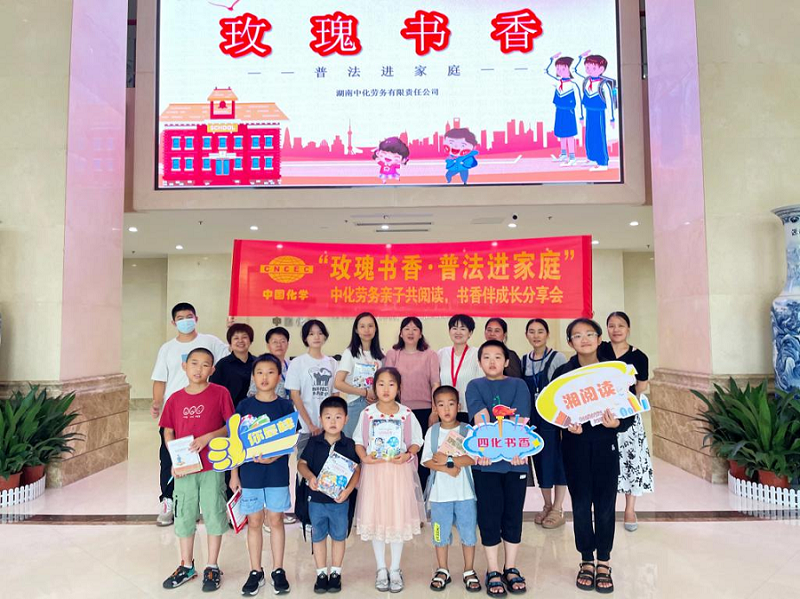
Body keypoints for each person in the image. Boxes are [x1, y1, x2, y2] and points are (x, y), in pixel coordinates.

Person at [553, 318, 635, 594]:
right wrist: (566, 424)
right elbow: (553, 413)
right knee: (580, 505)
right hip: (574, 447)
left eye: (590, 334)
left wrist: (617, 423)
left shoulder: (613, 372)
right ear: (570, 342)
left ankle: (604, 561)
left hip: (605, 446)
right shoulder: (563, 374)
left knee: (604, 505)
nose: (584, 339)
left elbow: (629, 410)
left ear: (600, 339)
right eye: (577, 335)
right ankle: (586, 559)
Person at [159, 348, 235, 592]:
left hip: (213, 465)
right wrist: (175, 459)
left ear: (212, 369)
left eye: (205, 365)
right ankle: (186, 565)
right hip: (185, 469)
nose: (198, 369)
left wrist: (208, 437)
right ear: (184, 366)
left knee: (214, 513)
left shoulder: (220, 393)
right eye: (194, 363)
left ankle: (212, 565)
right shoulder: (175, 399)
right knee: (184, 514)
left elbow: (230, 427)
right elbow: (168, 431)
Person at [151, 302, 229, 526]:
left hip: (206, 413)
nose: (185, 321)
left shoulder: (210, 341)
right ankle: (168, 501)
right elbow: (160, 379)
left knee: (210, 458)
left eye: (189, 316)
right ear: (173, 322)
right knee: (170, 458)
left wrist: (230, 327)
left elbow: (229, 357)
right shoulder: (167, 348)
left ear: (196, 318)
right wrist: (157, 402)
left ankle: (214, 503)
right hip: (176, 412)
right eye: (180, 318)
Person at [466, 340, 531, 596]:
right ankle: (493, 570)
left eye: (497, 356)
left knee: (513, 514)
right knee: (489, 515)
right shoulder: (474, 386)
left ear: (506, 361)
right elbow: (481, 420)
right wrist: (487, 451)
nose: (492, 361)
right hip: (486, 463)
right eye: (486, 357)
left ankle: (510, 567)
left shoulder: (519, 385)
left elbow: (520, 419)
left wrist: (515, 449)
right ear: (480, 362)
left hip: (516, 461)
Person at [353, 367, 425, 593]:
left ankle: (395, 569)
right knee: (377, 519)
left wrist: (408, 454)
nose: (386, 389)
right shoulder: (367, 413)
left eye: (391, 384)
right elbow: (358, 441)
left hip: (398, 474)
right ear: (374, 387)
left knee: (397, 519)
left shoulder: (406, 413)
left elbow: (417, 440)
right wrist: (364, 457)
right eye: (381, 384)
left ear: (399, 388)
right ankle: (381, 568)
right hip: (374, 474)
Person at [230, 354, 296, 596]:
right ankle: (255, 571)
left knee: (276, 520)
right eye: (259, 372)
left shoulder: (285, 406)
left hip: (277, 474)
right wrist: (234, 475)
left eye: (270, 372)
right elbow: (235, 443)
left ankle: (278, 569)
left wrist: (274, 456)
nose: (265, 377)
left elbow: (291, 441)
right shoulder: (244, 406)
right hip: (250, 475)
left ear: (279, 377)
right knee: (255, 521)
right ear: (253, 377)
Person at [297, 396, 361, 593]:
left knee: (339, 537)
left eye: (338, 417)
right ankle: (321, 574)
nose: (333, 422)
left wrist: (348, 491)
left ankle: (336, 573)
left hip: (339, 502)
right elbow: (302, 464)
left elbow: (356, 470)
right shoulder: (313, 442)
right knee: (318, 537)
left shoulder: (349, 444)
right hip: (316, 501)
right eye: (328, 417)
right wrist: (310, 477)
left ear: (346, 419)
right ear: (320, 419)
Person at [422, 386, 480, 593]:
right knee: (440, 533)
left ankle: (469, 570)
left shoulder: (468, 430)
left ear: (459, 406)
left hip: (465, 494)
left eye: (451, 404)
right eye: (441, 404)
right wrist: (448, 468)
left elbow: (473, 457)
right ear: (435, 408)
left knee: (468, 532)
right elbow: (427, 461)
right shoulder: (433, 432)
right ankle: (442, 569)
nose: (446, 409)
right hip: (440, 496)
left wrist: (449, 460)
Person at [599, 311, 653, 532]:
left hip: (628, 414)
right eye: (611, 325)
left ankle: (630, 508)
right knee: (605, 462)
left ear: (628, 329)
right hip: (602, 414)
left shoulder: (639, 356)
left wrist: (625, 402)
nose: (616, 330)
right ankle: (605, 508)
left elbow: (641, 386)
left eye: (621, 325)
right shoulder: (600, 350)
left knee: (631, 460)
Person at [521, 318, 568, 529]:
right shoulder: (524, 360)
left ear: (547, 334)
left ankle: (558, 508)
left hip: (554, 419)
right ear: (526, 335)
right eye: (531, 331)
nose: (536, 335)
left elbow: (565, 389)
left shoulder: (558, 358)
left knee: (557, 461)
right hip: (533, 419)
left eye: (540, 331)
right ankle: (547, 504)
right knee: (540, 461)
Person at [384, 316, 440, 489]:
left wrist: (434, 412)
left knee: (422, 455)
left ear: (420, 334)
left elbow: (435, 383)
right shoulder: (393, 354)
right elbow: (387, 382)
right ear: (401, 333)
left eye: (415, 329)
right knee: (399, 452)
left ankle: (421, 495)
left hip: (425, 411)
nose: (411, 332)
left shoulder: (430, 355)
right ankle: (402, 492)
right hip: (398, 412)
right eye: (407, 329)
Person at [285, 319, 338, 456]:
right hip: (304, 426)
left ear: (325, 336)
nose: (316, 337)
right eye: (311, 334)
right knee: (304, 462)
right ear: (305, 338)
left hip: (328, 426)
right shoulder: (297, 363)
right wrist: (310, 424)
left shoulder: (332, 363)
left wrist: (329, 423)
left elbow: (335, 396)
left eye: (320, 333)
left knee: (326, 462)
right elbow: (295, 395)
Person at [334, 312, 384, 438]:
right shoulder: (350, 353)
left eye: (370, 326)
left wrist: (376, 395)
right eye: (362, 326)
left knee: (372, 443)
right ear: (356, 330)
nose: (367, 330)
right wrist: (365, 393)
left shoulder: (381, 354)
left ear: (376, 329)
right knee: (352, 443)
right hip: (356, 403)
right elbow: (338, 383)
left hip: (377, 404)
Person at [575, 53, 617, 172]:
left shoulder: (604, 84)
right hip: (589, 112)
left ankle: (603, 162)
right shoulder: (587, 81)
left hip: (599, 113)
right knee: (589, 136)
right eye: (587, 67)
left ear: (601, 69)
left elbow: (609, 101)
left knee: (599, 136)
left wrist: (612, 118)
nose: (589, 70)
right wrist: (581, 58)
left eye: (593, 68)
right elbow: (574, 70)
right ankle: (592, 157)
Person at [437, 314, 482, 423]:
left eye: (463, 329)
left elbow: (481, 385)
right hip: (445, 412)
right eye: (454, 328)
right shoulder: (441, 354)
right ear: (449, 331)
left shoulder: (477, 354)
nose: (458, 332)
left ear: (470, 333)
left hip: (469, 411)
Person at [545, 54, 583, 165]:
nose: (559, 71)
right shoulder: (557, 82)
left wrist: (581, 116)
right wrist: (551, 59)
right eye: (557, 68)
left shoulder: (573, 84)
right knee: (561, 133)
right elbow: (545, 72)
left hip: (569, 112)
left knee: (569, 135)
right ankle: (563, 154)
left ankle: (572, 157)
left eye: (563, 68)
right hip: (559, 111)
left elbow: (579, 100)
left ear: (569, 69)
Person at [210, 323, 256, 408]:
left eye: (244, 337)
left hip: (255, 410)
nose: (240, 341)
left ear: (250, 341)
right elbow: (213, 391)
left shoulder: (258, 363)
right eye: (236, 338)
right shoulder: (222, 365)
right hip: (231, 411)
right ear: (230, 342)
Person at [265, 327, 292, 401]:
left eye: (282, 341)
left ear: (287, 344)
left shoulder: (293, 365)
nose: (279, 345)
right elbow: (253, 392)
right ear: (268, 345)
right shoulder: (261, 366)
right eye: (274, 342)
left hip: (291, 406)